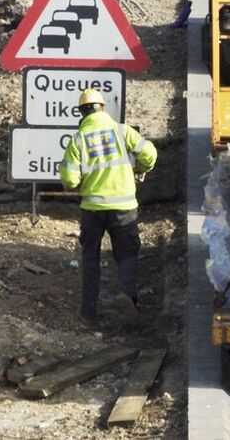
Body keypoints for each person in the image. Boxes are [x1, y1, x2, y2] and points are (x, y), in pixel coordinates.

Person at [58, 88, 157, 325]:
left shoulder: (78, 139)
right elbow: (150, 154)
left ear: (82, 112)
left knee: (90, 257)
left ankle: (89, 310)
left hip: (92, 208)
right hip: (124, 206)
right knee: (127, 253)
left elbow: (69, 179)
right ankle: (127, 294)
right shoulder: (122, 131)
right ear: (103, 107)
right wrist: (140, 169)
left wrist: (80, 182)